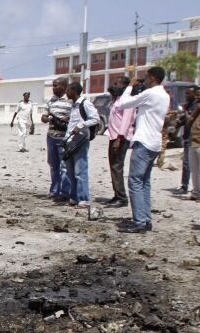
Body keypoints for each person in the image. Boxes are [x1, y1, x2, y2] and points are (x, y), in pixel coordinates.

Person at [116, 66, 169, 233]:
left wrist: (129, 87)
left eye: (146, 78)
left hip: (144, 141)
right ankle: (145, 219)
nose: (144, 81)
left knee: (135, 182)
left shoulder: (150, 93)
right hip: (154, 142)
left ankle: (139, 221)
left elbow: (123, 103)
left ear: (152, 78)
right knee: (144, 182)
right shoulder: (164, 95)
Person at [64, 81, 99, 211]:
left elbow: (95, 119)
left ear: (74, 91)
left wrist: (81, 125)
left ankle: (84, 198)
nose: (66, 92)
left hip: (80, 140)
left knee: (80, 170)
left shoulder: (85, 103)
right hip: (70, 141)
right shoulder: (73, 105)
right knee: (70, 171)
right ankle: (74, 197)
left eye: (68, 90)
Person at [105, 76, 136, 208]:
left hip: (120, 138)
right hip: (113, 137)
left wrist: (119, 138)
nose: (114, 85)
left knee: (117, 166)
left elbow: (126, 121)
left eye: (116, 83)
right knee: (113, 166)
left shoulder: (128, 100)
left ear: (124, 86)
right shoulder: (118, 99)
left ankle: (122, 198)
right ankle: (117, 195)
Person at [41, 76, 72, 203]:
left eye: (56, 86)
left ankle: (65, 193)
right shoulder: (50, 101)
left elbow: (75, 117)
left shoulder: (70, 101)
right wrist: (48, 118)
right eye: (53, 86)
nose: (53, 88)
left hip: (64, 138)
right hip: (51, 137)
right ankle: (54, 191)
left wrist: (65, 119)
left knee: (64, 166)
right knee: (53, 165)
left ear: (64, 87)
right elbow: (43, 117)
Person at [175, 87, 199, 193]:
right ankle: (184, 185)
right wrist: (177, 123)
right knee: (186, 163)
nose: (186, 96)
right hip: (187, 136)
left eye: (189, 93)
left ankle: (196, 188)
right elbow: (184, 120)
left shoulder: (197, 106)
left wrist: (185, 114)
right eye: (186, 94)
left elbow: (190, 119)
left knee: (191, 163)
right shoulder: (188, 105)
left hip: (195, 137)